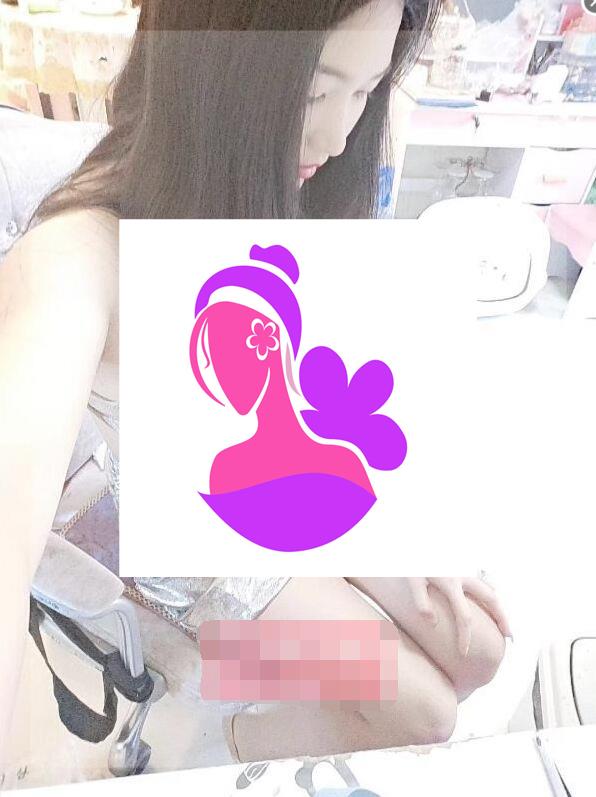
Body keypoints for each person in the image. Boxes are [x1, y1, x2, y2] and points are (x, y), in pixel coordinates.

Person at [0, 0, 510, 767]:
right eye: (315, 91)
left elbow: (319, 381)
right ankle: (212, 725)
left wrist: (394, 516)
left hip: (259, 475)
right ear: (212, 68)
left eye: (365, 89)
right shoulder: (76, 253)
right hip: (167, 538)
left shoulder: (286, 185)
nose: (337, 137)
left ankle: (233, 688)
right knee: (421, 708)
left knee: (478, 646)